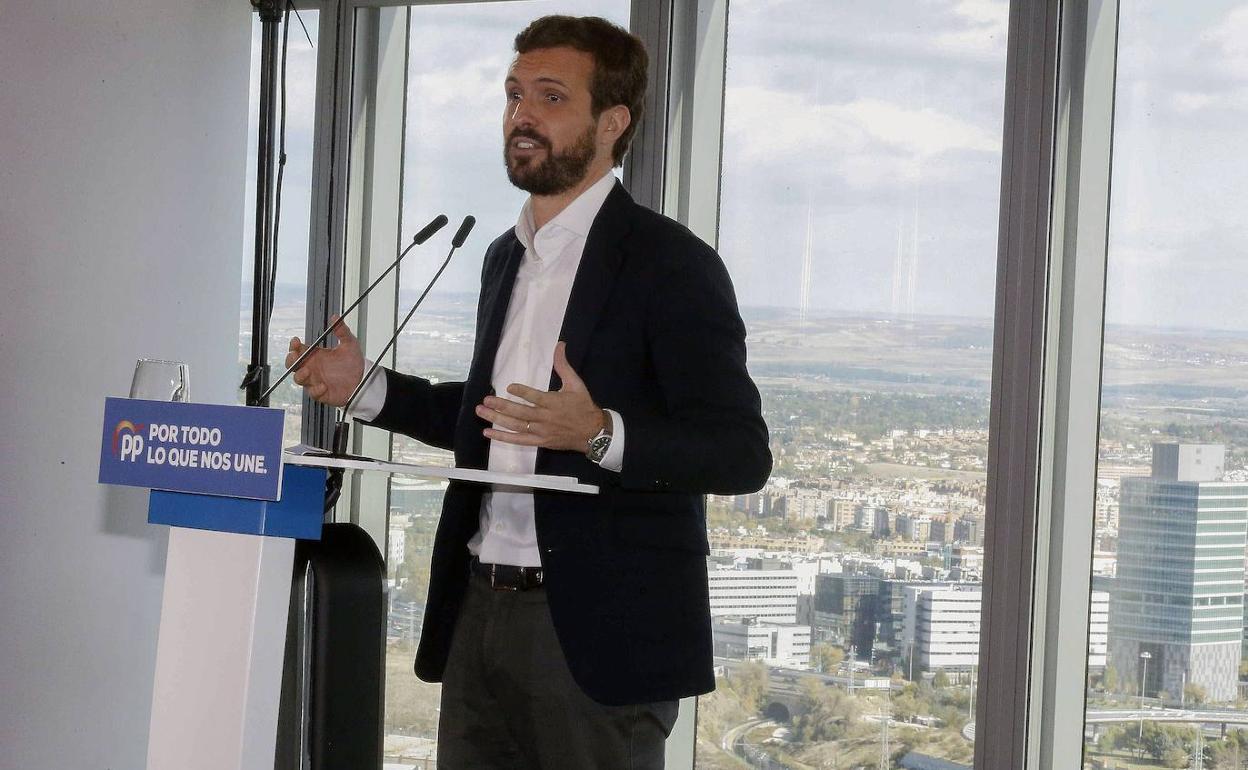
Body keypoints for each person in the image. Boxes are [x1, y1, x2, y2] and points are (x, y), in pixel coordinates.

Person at [287, 15, 770, 769]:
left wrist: (600, 434)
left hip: (598, 637)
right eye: (514, 95)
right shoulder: (502, 259)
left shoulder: (670, 264)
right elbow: (495, 422)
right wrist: (366, 387)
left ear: (612, 123)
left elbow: (741, 454)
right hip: (479, 612)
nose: (522, 114)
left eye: (550, 97)